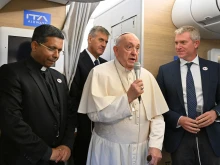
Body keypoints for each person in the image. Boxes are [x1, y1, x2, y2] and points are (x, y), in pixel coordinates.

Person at [78, 32, 168, 165]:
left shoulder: (147, 76)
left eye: (137, 48)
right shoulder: (98, 73)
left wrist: (155, 145)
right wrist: (128, 98)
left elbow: (157, 116)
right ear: (116, 50)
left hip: (142, 151)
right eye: (129, 47)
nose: (134, 52)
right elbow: (95, 115)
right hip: (109, 150)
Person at [0, 24, 76, 165]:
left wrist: (67, 145)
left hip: (58, 158)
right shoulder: (11, 73)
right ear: (35, 45)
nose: (56, 55)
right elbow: (11, 121)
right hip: (26, 159)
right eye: (52, 48)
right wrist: (47, 152)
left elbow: (70, 115)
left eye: (59, 50)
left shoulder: (59, 77)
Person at [156, 25, 220, 165]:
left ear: (196, 43)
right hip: (180, 137)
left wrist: (215, 113)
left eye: (183, 42)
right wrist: (179, 119)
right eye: (176, 43)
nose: (178, 46)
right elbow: (158, 105)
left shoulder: (214, 69)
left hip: (210, 135)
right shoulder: (165, 71)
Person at [69, 26, 110, 165]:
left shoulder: (106, 64)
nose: (104, 44)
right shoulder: (77, 61)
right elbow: (73, 95)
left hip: (103, 122)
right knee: (83, 155)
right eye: (100, 40)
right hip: (83, 121)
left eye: (106, 42)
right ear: (90, 38)